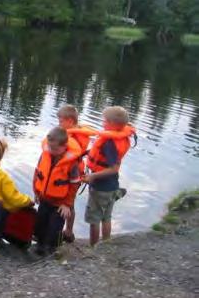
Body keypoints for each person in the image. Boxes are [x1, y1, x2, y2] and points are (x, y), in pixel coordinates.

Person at [83, 106, 136, 246]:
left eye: (104, 121)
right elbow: (109, 161)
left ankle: (93, 247)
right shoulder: (119, 139)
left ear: (113, 124)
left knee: (94, 219)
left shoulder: (109, 142)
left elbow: (113, 168)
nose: (102, 123)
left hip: (101, 187)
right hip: (112, 185)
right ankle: (106, 244)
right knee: (106, 217)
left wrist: (93, 176)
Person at [33, 127, 82, 255]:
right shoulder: (45, 154)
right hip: (44, 199)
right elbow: (37, 173)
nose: (51, 151)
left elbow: (74, 184)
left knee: (54, 229)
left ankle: (51, 249)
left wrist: (67, 204)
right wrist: (36, 192)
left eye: (55, 149)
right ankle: (40, 246)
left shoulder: (72, 163)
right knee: (40, 225)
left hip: (60, 204)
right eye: (49, 147)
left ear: (64, 146)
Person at [56, 104, 98, 243]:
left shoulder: (76, 137)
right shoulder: (70, 134)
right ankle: (66, 231)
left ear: (70, 121)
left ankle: (67, 231)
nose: (59, 124)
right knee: (64, 202)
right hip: (65, 172)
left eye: (61, 121)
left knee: (69, 203)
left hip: (73, 174)